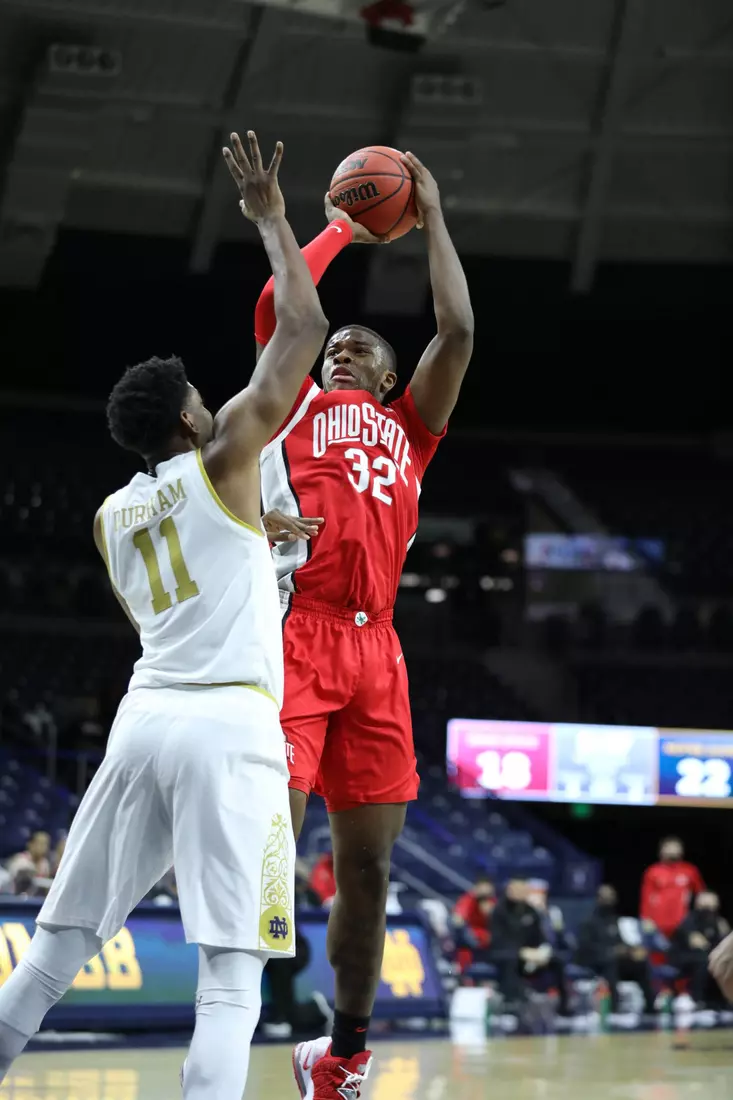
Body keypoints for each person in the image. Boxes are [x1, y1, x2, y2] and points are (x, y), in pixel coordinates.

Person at [0, 130, 329, 1100]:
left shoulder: (110, 515)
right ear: (190, 419)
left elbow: (186, 576)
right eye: (198, 394)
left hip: (143, 720)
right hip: (230, 724)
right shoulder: (225, 454)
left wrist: (252, 533)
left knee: (54, 953)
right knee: (231, 981)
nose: (208, 397)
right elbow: (300, 332)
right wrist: (272, 219)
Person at [250, 152, 473, 1098]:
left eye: (359, 348)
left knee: (370, 868)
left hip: (377, 648)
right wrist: (343, 224)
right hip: (297, 633)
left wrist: (428, 212)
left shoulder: (411, 427)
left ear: (389, 380)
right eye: (333, 344)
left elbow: (456, 328)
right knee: (272, 851)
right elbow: (281, 305)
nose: (340, 349)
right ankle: (228, 1016)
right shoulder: (296, 396)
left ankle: (339, 1054)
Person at [491, 879, 571, 1017]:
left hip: (531, 955)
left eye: (523, 890)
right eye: (517, 889)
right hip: (504, 954)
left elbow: (540, 937)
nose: (520, 893)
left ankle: (564, 1007)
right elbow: (498, 940)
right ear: (509, 891)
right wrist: (521, 952)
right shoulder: (499, 911)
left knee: (557, 961)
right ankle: (512, 1006)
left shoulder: (531, 911)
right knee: (511, 961)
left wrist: (542, 952)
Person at [576, 885, 656, 1016]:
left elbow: (620, 941)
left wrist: (631, 951)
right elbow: (585, 947)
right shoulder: (589, 922)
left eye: (611, 897)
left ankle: (650, 1007)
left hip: (616, 960)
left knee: (640, 963)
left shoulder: (614, 920)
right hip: (596, 961)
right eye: (605, 897)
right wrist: (611, 951)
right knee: (611, 963)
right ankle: (615, 1007)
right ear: (598, 899)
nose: (609, 900)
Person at [670, 892, 729, 1009]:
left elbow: (725, 942)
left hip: (709, 954)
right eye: (706, 907)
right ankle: (697, 1001)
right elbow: (698, 943)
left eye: (713, 907)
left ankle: (725, 1003)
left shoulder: (720, 922)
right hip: (685, 957)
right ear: (698, 906)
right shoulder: (689, 920)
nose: (710, 910)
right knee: (704, 961)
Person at [640, 837, 705, 938]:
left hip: (682, 922)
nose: (672, 850)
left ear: (681, 850)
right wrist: (646, 918)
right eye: (669, 847)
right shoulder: (653, 871)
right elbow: (646, 896)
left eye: (675, 847)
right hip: (658, 922)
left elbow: (701, 895)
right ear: (661, 850)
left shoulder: (690, 870)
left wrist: (698, 919)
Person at [453, 875, 495, 968]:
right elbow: (458, 918)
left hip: (491, 939)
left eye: (487, 890)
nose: (484, 892)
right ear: (476, 889)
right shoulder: (468, 900)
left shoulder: (495, 902)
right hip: (472, 938)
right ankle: (464, 975)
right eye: (481, 889)